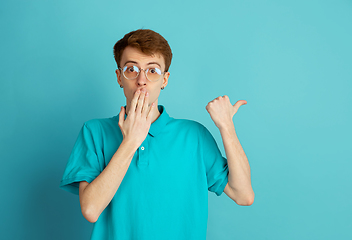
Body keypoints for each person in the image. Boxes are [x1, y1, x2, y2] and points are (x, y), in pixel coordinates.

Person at [60, 29, 254, 240]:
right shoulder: (94, 131)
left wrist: (226, 126)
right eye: (131, 69)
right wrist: (131, 141)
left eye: (152, 71)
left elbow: (243, 195)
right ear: (119, 77)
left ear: (165, 79)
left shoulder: (194, 136)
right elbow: (91, 209)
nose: (141, 80)